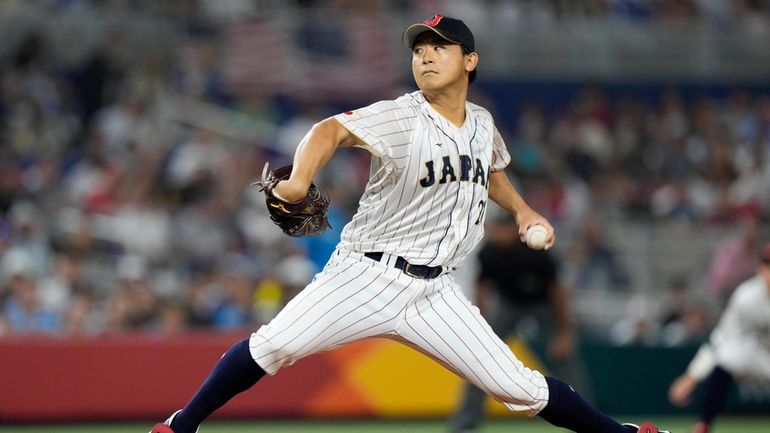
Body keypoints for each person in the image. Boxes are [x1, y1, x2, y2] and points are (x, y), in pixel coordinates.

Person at [151, 15, 668, 433]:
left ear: (470, 61)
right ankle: (181, 426)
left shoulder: (482, 122)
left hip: (436, 291)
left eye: (439, 47)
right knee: (276, 345)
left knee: (521, 388)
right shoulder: (402, 116)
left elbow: (490, 170)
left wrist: (524, 210)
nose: (424, 54)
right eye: (419, 48)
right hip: (366, 275)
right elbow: (328, 130)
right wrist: (297, 179)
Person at [449, 212, 589, 433]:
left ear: (514, 230)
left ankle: (588, 420)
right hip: (508, 304)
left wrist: (564, 332)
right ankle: (465, 425)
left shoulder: (536, 254)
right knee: (477, 356)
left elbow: (557, 293)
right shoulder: (489, 252)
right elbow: (481, 288)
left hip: (543, 304)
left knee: (566, 357)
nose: (498, 233)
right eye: (496, 228)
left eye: (503, 228)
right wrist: (478, 322)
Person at [668, 242, 770, 433]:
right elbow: (721, 339)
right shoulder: (746, 297)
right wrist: (692, 376)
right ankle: (704, 424)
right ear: (760, 268)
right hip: (759, 354)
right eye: (768, 265)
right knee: (729, 355)